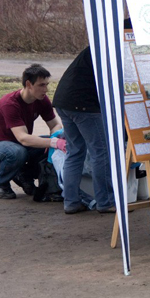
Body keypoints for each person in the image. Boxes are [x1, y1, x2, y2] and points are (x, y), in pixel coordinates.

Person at [0, 64, 64, 200]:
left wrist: (55, 137)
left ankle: (24, 175)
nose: (46, 89)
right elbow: (23, 138)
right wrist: (54, 142)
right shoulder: (9, 104)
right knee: (18, 153)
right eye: (41, 85)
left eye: (47, 85)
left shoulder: (41, 99)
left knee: (49, 148)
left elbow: (55, 124)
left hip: (20, 144)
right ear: (28, 84)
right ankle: (0, 181)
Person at [52, 47, 115, 214]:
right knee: (101, 151)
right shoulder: (114, 47)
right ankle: (106, 201)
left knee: (74, 151)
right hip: (83, 104)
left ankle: (71, 201)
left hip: (64, 100)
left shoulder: (98, 44)